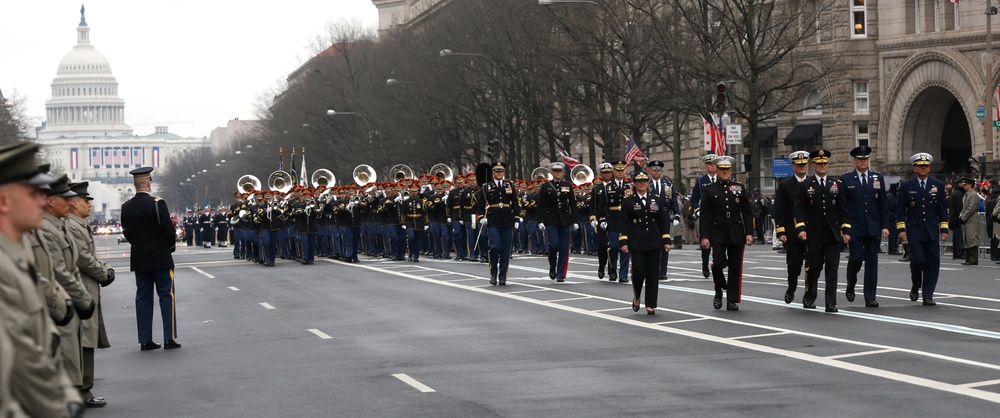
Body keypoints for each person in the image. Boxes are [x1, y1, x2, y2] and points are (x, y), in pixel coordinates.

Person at [0, 142, 85, 418]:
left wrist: (66, 397)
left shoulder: (16, 250)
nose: (43, 201)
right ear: (3, 201)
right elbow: (22, 357)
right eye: (33, 193)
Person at [120, 167, 181, 350]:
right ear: (148, 183)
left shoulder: (126, 207)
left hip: (139, 258)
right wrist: (169, 247)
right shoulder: (157, 203)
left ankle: (145, 340)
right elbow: (168, 230)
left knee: (143, 298)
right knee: (166, 296)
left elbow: (126, 232)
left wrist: (139, 246)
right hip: (160, 257)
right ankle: (169, 338)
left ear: (134, 184)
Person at [66, 181, 114, 407]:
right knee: (83, 340)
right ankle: (82, 390)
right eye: (86, 201)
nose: (90, 206)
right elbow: (83, 258)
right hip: (81, 287)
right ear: (74, 203)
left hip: (86, 286)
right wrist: (104, 272)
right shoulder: (72, 226)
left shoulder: (78, 224)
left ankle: (84, 389)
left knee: (86, 339)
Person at [795, 150, 851, 313]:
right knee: (814, 268)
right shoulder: (806, 185)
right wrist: (801, 228)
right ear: (814, 166)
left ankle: (830, 302)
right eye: (819, 164)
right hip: (814, 234)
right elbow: (799, 209)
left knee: (832, 269)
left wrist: (846, 230)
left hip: (833, 234)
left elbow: (842, 209)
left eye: (824, 164)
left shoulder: (836, 184)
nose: (822, 166)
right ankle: (810, 296)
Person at [698, 156, 753, 311]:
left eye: (727, 170)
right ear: (716, 170)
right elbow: (704, 215)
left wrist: (749, 233)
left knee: (735, 267)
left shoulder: (739, 187)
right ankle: (718, 291)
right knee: (718, 263)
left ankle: (731, 299)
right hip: (718, 231)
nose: (724, 172)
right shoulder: (710, 189)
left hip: (736, 231)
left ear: (730, 171)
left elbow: (747, 212)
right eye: (722, 170)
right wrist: (704, 236)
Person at [839, 145, 890, 308]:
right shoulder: (846, 179)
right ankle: (851, 283)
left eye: (866, 159)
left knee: (872, 263)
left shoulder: (877, 178)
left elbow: (883, 203)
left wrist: (885, 225)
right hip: (854, 227)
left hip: (873, 226)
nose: (863, 162)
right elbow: (842, 205)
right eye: (860, 159)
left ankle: (870, 297)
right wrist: (844, 227)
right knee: (856, 259)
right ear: (854, 161)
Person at [895, 153, 948, 306]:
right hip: (915, 230)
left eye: (926, 166)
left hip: (931, 229)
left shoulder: (937, 185)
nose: (923, 169)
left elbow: (942, 209)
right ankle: (916, 284)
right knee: (918, 261)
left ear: (929, 168)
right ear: (914, 168)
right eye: (920, 166)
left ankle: (928, 295)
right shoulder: (906, 186)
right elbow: (900, 210)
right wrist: (901, 229)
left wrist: (944, 229)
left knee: (933, 263)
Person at [619, 172, 672, 314]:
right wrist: (624, 241)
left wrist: (666, 240)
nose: (642, 183)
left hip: (654, 240)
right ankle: (637, 295)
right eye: (639, 181)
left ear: (648, 183)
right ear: (634, 184)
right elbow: (624, 223)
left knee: (653, 273)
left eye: (645, 181)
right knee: (638, 271)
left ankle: (650, 304)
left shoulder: (656, 199)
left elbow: (662, 221)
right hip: (636, 241)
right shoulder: (628, 201)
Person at [475, 162, 520, 285]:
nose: (499, 173)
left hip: (507, 220)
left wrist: (516, 218)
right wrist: (481, 218)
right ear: (493, 173)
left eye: (501, 171)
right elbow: (480, 205)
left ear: (503, 172)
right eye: (496, 171)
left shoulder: (509, 185)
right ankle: (493, 273)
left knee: (505, 250)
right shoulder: (487, 186)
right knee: (495, 247)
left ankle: (503, 276)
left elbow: (515, 203)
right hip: (493, 220)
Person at [774, 150, 810, 304]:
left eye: (804, 164)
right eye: (798, 165)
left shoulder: (813, 183)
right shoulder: (785, 185)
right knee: (794, 265)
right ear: (793, 167)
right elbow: (779, 210)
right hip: (792, 231)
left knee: (812, 266)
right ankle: (792, 287)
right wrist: (781, 231)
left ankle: (809, 295)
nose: (802, 167)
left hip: (811, 231)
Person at [538, 162, 574, 282]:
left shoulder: (568, 186)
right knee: (553, 245)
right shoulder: (545, 186)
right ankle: (552, 266)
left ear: (563, 173)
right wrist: (540, 220)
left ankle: (560, 273)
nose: (557, 173)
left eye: (559, 171)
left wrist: (575, 221)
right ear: (552, 173)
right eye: (555, 171)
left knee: (564, 247)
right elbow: (541, 205)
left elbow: (573, 205)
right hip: (550, 219)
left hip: (565, 220)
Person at [646, 160, 681, 280]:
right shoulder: (646, 184)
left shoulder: (667, 185)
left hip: (665, 216)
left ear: (661, 171)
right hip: (651, 216)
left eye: (658, 170)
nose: (656, 172)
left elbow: (674, 202)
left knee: (665, 244)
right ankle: (652, 269)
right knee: (651, 244)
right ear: (650, 171)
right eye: (654, 170)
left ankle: (663, 271)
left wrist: (677, 215)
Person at [690, 154, 719, 278]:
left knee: (719, 242)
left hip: (719, 216)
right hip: (706, 216)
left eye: (714, 164)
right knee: (705, 243)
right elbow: (694, 198)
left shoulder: (721, 179)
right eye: (709, 164)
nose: (712, 166)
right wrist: (697, 210)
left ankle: (717, 264)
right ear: (706, 167)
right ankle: (705, 264)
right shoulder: (701, 181)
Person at [604, 160, 631, 283]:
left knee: (625, 248)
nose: (620, 173)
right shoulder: (608, 187)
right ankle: (612, 269)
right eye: (618, 170)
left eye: (622, 170)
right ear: (614, 172)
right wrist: (603, 219)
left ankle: (623, 274)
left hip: (625, 220)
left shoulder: (629, 186)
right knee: (614, 247)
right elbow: (604, 205)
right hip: (613, 219)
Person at [589, 163, 614, 279]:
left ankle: (612, 269)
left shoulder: (616, 187)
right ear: (601, 174)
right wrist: (593, 219)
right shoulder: (597, 189)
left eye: (609, 172)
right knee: (603, 245)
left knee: (613, 246)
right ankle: (601, 265)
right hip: (601, 220)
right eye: (605, 173)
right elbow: (593, 206)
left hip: (614, 219)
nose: (607, 175)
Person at [958, 178, 981, 265]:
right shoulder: (966, 195)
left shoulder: (973, 194)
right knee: (966, 239)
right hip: (967, 220)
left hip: (972, 220)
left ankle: (973, 259)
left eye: (966, 184)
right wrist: (961, 216)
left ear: (970, 185)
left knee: (972, 239)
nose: (964, 186)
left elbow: (971, 208)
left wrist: (963, 217)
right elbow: (964, 208)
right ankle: (968, 259)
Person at [947, 181, 965, 259]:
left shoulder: (955, 193)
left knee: (956, 236)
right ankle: (959, 252)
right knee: (958, 236)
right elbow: (959, 207)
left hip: (953, 218)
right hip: (957, 218)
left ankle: (956, 252)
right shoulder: (958, 194)